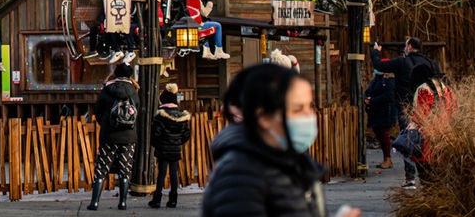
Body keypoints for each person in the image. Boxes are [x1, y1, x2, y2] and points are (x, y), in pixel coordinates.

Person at [203, 63, 362, 217]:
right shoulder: (239, 176)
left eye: (310, 106)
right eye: (298, 109)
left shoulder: (291, 162)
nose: (309, 116)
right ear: (264, 117)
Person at [371, 37, 439, 187]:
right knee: (427, 142)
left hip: (406, 107)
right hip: (429, 110)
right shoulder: (430, 63)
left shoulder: (402, 62)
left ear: (409, 46)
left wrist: (376, 52)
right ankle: (430, 177)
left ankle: (410, 178)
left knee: (407, 141)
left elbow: (379, 65)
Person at [87, 62, 138, 211]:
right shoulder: (134, 91)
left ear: (116, 73)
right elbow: (137, 112)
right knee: (125, 169)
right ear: (129, 75)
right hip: (128, 137)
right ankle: (122, 202)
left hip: (109, 136)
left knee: (101, 168)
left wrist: (106, 124)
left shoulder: (106, 90)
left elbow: (98, 112)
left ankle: (95, 202)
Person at [403, 61, 455, 186]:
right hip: (445, 136)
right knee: (441, 178)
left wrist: (410, 116)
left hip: (426, 140)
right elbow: (453, 112)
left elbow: (421, 116)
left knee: (427, 179)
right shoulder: (446, 88)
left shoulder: (423, 90)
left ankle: (430, 197)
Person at [148, 83, 192, 209]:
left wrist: (157, 145)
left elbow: (155, 135)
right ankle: (173, 199)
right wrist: (177, 142)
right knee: (174, 174)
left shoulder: (160, 117)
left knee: (161, 174)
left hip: (162, 149)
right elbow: (186, 134)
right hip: (175, 149)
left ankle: (157, 199)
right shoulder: (181, 117)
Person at [364, 68, 398, 169]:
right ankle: (386, 158)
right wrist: (366, 97)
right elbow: (368, 91)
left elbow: (389, 96)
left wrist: (373, 100)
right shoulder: (375, 80)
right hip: (375, 110)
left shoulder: (389, 80)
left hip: (385, 111)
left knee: (384, 134)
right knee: (379, 133)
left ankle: (388, 159)